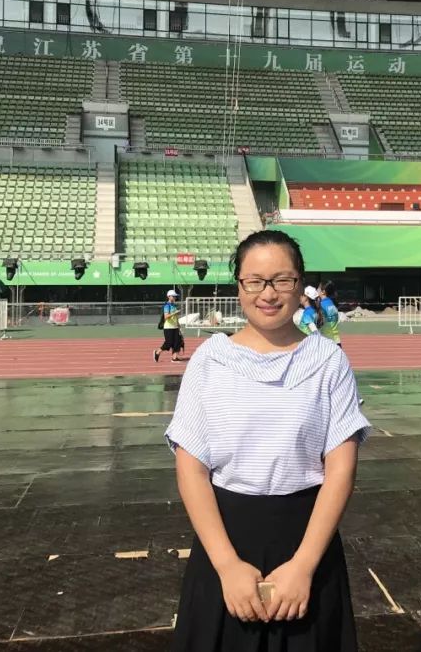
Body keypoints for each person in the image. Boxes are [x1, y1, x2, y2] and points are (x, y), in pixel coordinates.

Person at [165, 230, 369, 651]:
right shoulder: (210, 360)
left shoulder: (328, 361)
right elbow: (191, 468)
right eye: (255, 281)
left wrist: (304, 566)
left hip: (307, 543)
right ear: (239, 285)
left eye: (282, 280)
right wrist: (227, 566)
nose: (268, 293)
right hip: (225, 541)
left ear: (300, 285)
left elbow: (340, 470)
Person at [155, 290, 186, 363]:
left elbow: (175, 317)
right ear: (169, 296)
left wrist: (178, 325)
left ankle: (174, 358)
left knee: (177, 342)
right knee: (168, 343)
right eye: (173, 296)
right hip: (168, 327)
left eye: (175, 296)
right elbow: (166, 316)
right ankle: (157, 352)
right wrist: (175, 312)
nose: (175, 297)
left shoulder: (173, 305)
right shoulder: (167, 306)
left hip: (175, 327)